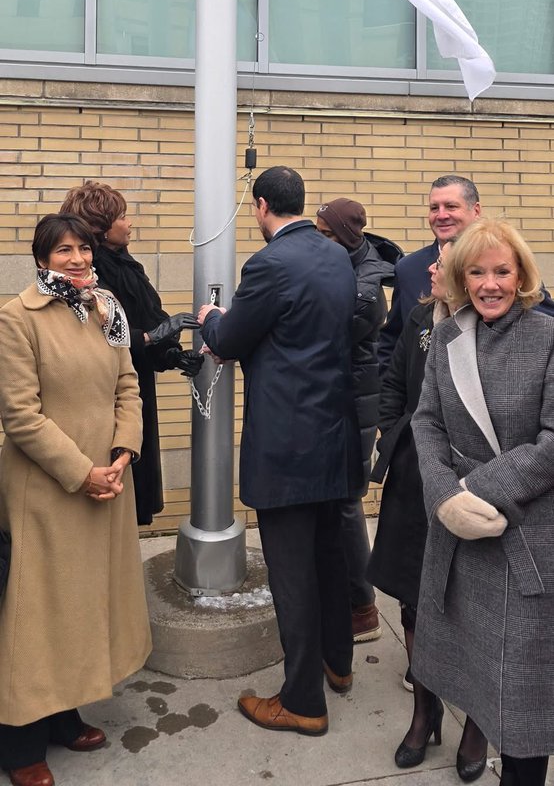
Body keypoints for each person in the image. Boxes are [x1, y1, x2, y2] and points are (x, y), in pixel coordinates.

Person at [198, 166, 363, 737]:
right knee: (328, 557)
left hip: (287, 445)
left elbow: (229, 339)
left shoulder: (267, 263)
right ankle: (337, 666)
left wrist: (212, 319)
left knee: (292, 575)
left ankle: (302, 702)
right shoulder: (335, 256)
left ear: (261, 204)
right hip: (334, 435)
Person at [0, 213, 151, 786]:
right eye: (63, 250)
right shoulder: (17, 319)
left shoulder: (105, 309)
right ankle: (18, 742)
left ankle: (64, 717)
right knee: (36, 612)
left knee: (81, 604)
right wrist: (80, 471)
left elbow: (128, 385)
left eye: (83, 249)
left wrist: (122, 451)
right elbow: (20, 415)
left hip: (107, 479)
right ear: (42, 258)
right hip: (48, 488)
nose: (78, 259)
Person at [412, 218, 554, 786]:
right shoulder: (447, 338)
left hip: (528, 537)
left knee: (524, 700)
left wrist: (476, 489)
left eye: (502, 270)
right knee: (472, 672)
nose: (490, 283)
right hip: (460, 539)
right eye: (477, 271)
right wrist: (444, 497)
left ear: (520, 274)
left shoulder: (547, 336)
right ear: (459, 277)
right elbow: (425, 421)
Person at [370, 240, 488, 781]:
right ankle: (425, 710)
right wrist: (394, 435)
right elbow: (394, 382)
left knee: (474, 609)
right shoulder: (420, 316)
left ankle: (478, 727)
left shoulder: (496, 327)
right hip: (415, 480)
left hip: (475, 488)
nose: (432, 268)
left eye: (443, 263)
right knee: (415, 600)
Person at [60, 181, 200, 526]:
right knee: (108, 488)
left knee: (134, 483)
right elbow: (100, 335)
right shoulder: (89, 276)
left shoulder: (126, 265)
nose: (129, 223)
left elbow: (147, 318)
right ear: (100, 228)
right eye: (121, 217)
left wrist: (172, 355)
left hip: (137, 390)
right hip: (105, 398)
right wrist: (152, 337)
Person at [315, 197, 402, 642]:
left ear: (348, 237)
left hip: (354, 399)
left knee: (348, 501)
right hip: (339, 394)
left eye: (327, 235)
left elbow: (328, 332)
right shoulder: (342, 263)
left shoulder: (366, 284)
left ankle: (363, 608)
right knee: (336, 500)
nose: (319, 241)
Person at [378, 175, 480, 371]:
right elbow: (392, 340)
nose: (441, 215)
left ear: (475, 211)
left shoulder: (504, 261)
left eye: (451, 206)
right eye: (434, 208)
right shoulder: (409, 268)